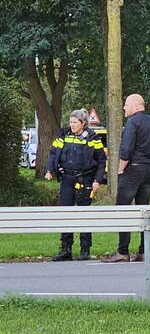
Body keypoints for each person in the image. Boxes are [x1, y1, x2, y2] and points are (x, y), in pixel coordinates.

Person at [104, 94, 150, 263]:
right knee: (144, 210)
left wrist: (121, 169)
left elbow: (127, 148)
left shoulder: (132, 122)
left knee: (123, 210)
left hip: (133, 169)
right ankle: (144, 251)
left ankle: (122, 251)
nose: (124, 108)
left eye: (126, 105)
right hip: (148, 169)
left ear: (136, 106)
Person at [44, 109, 106, 261]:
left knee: (84, 214)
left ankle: (85, 249)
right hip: (67, 179)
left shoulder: (92, 137)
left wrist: (98, 180)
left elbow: (101, 160)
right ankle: (66, 249)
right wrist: (49, 170)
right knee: (65, 213)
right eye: (71, 122)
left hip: (85, 179)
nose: (72, 125)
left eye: (75, 122)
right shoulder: (63, 135)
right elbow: (53, 153)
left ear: (83, 123)